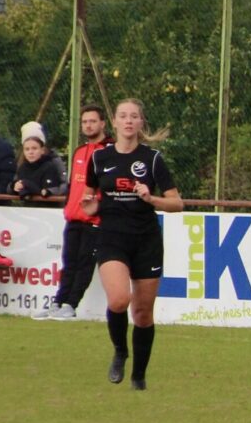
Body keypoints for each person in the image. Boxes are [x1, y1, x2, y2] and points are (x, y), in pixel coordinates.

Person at [80, 99, 182, 390]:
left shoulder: (152, 159)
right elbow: (88, 198)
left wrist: (151, 198)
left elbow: (177, 203)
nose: (128, 121)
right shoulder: (99, 158)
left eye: (133, 116)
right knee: (118, 300)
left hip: (146, 240)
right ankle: (120, 351)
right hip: (112, 237)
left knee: (142, 314)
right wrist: (90, 205)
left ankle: (138, 376)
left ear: (140, 123)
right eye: (123, 116)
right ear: (113, 122)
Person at [35, 106, 112, 320]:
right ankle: (58, 302)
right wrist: (69, 206)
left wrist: (100, 208)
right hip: (74, 217)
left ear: (103, 123)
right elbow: (73, 185)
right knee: (69, 263)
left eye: (93, 121)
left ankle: (71, 305)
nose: (88, 125)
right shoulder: (79, 151)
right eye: (85, 122)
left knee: (84, 264)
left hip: (95, 219)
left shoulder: (109, 152)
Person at [10, 132, 66, 203]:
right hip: (26, 207)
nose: (31, 152)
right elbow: (13, 187)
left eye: (34, 148)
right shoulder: (22, 168)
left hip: (48, 207)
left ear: (42, 150)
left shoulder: (49, 166)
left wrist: (26, 184)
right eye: (27, 149)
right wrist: (14, 186)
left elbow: (51, 190)